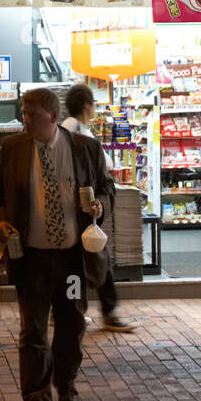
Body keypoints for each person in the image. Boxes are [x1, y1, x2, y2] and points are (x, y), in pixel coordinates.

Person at [0, 87, 114, 401]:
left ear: (53, 117)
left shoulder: (84, 148)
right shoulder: (13, 149)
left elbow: (106, 187)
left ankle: (66, 381)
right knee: (32, 333)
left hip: (72, 260)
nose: (25, 119)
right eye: (23, 113)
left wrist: (100, 206)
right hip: (31, 260)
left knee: (71, 325)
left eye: (32, 115)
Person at [60, 82, 135, 332]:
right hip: (79, 215)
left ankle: (72, 312)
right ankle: (103, 312)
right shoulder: (76, 136)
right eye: (93, 103)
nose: (94, 109)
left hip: (84, 213)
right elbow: (103, 171)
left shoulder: (75, 133)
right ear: (86, 105)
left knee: (87, 263)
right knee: (92, 263)